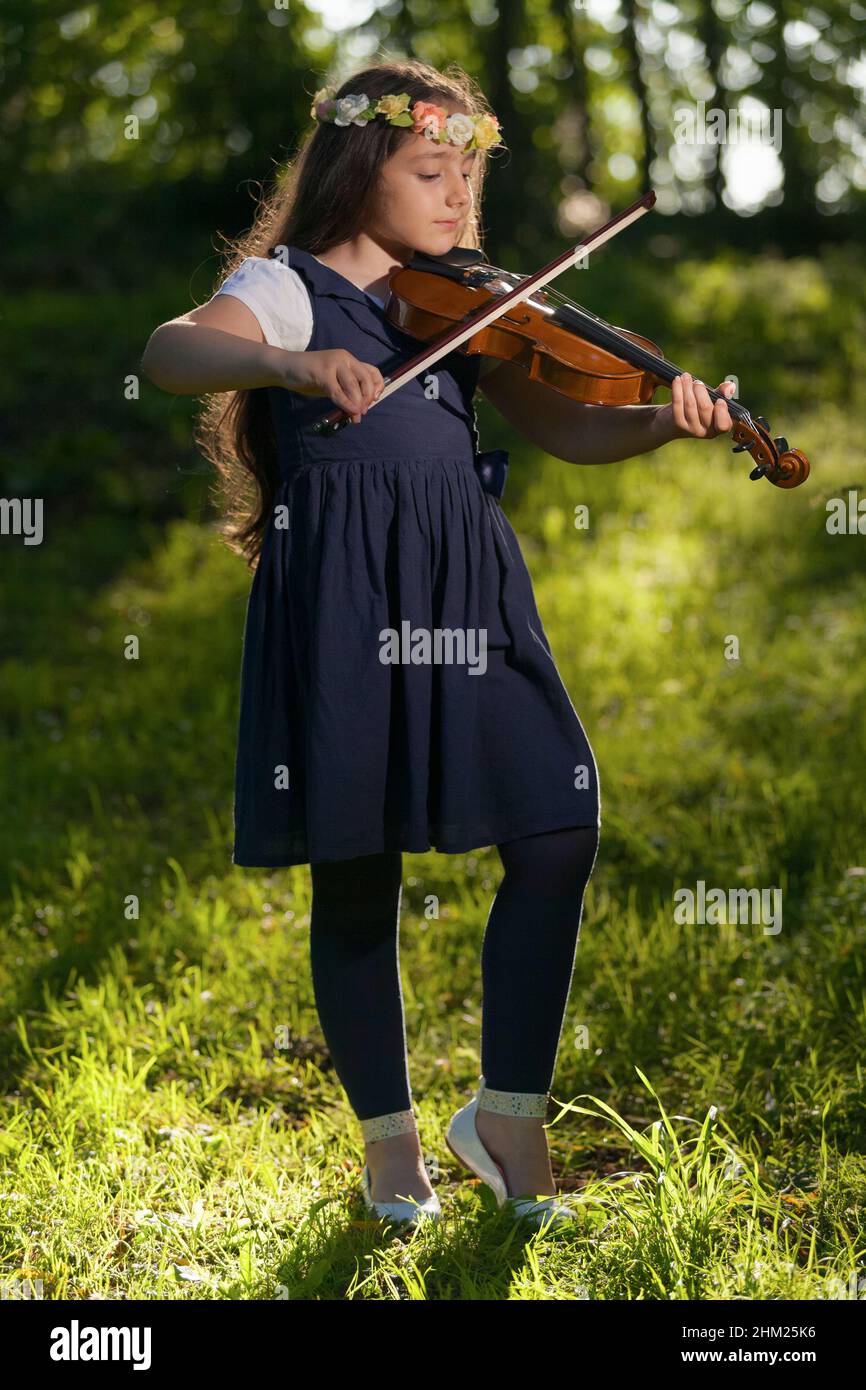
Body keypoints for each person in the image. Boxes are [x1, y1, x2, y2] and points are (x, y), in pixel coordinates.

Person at [140, 57, 735, 1229]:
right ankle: (390, 1149)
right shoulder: (288, 286)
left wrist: (660, 422)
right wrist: (288, 359)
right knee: (357, 868)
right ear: (360, 168)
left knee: (559, 822)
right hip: (347, 599)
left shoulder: (462, 300)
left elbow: (563, 421)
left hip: (466, 588)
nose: (460, 197)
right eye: (431, 170)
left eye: (469, 172)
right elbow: (170, 349)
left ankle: (504, 1114)